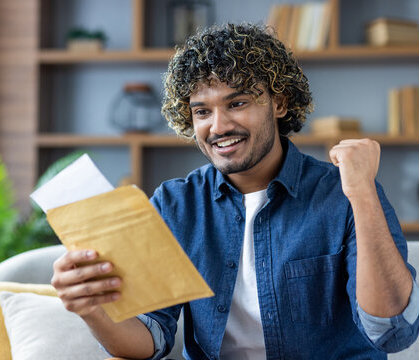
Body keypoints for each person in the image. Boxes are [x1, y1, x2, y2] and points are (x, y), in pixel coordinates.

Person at [51, 23, 419, 359]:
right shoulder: (175, 205)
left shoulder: (343, 193)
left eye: (237, 103)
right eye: (202, 112)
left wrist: (362, 193)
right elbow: (151, 339)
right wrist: (92, 309)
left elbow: (391, 332)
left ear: (279, 102)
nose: (219, 126)